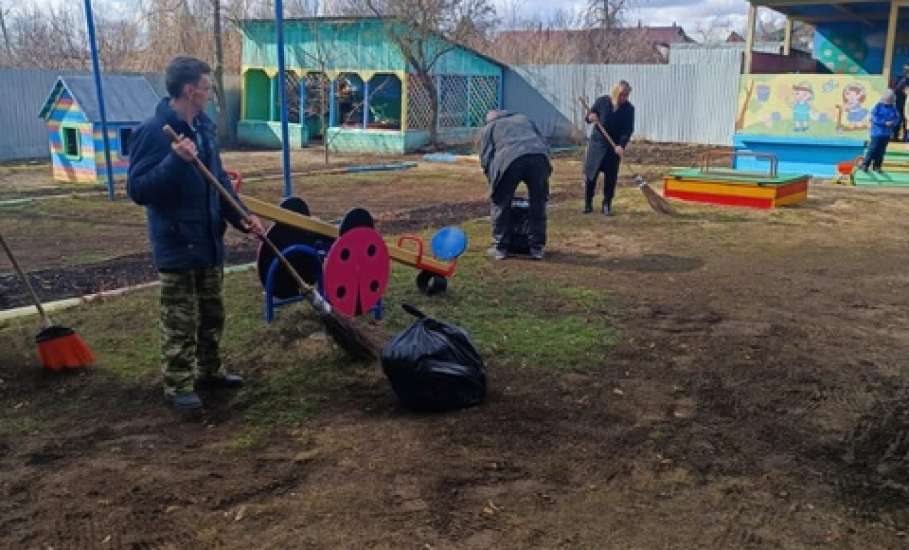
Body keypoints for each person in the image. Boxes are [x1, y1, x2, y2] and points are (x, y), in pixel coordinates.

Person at [127, 56, 265, 411]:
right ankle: (178, 385)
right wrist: (175, 161)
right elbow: (138, 190)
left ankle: (210, 371)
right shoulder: (153, 132)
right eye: (206, 87)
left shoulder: (203, 128)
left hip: (208, 238)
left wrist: (243, 217)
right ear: (190, 90)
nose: (209, 94)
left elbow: (218, 183)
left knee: (212, 312)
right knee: (180, 320)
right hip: (176, 242)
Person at [478, 110, 551, 261]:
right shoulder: (524, 118)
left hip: (510, 159)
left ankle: (500, 247)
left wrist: (494, 184)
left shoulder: (490, 128)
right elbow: (543, 142)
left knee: (501, 202)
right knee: (538, 203)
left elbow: (486, 158)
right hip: (539, 158)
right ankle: (536, 248)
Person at [584, 80, 635, 216]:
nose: (624, 98)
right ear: (615, 92)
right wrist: (591, 116)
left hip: (614, 147)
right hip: (597, 145)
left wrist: (621, 145)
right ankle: (588, 203)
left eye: (626, 95)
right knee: (591, 175)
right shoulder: (602, 102)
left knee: (611, 177)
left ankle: (607, 204)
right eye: (622, 95)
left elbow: (627, 130)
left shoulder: (629, 109)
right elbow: (589, 117)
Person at [861, 89, 900, 173]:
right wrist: (884, 122)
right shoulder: (878, 106)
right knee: (872, 149)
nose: (888, 101)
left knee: (881, 150)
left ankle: (877, 166)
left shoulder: (893, 108)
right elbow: (874, 118)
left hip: (886, 133)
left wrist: (893, 123)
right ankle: (865, 165)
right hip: (876, 132)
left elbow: (897, 118)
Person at [893, 65, 909, 140]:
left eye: (907, 70)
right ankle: (895, 136)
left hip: (907, 104)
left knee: (907, 120)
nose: (906, 71)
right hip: (899, 102)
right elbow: (896, 90)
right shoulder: (899, 78)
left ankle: (906, 136)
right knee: (898, 119)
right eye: (905, 70)